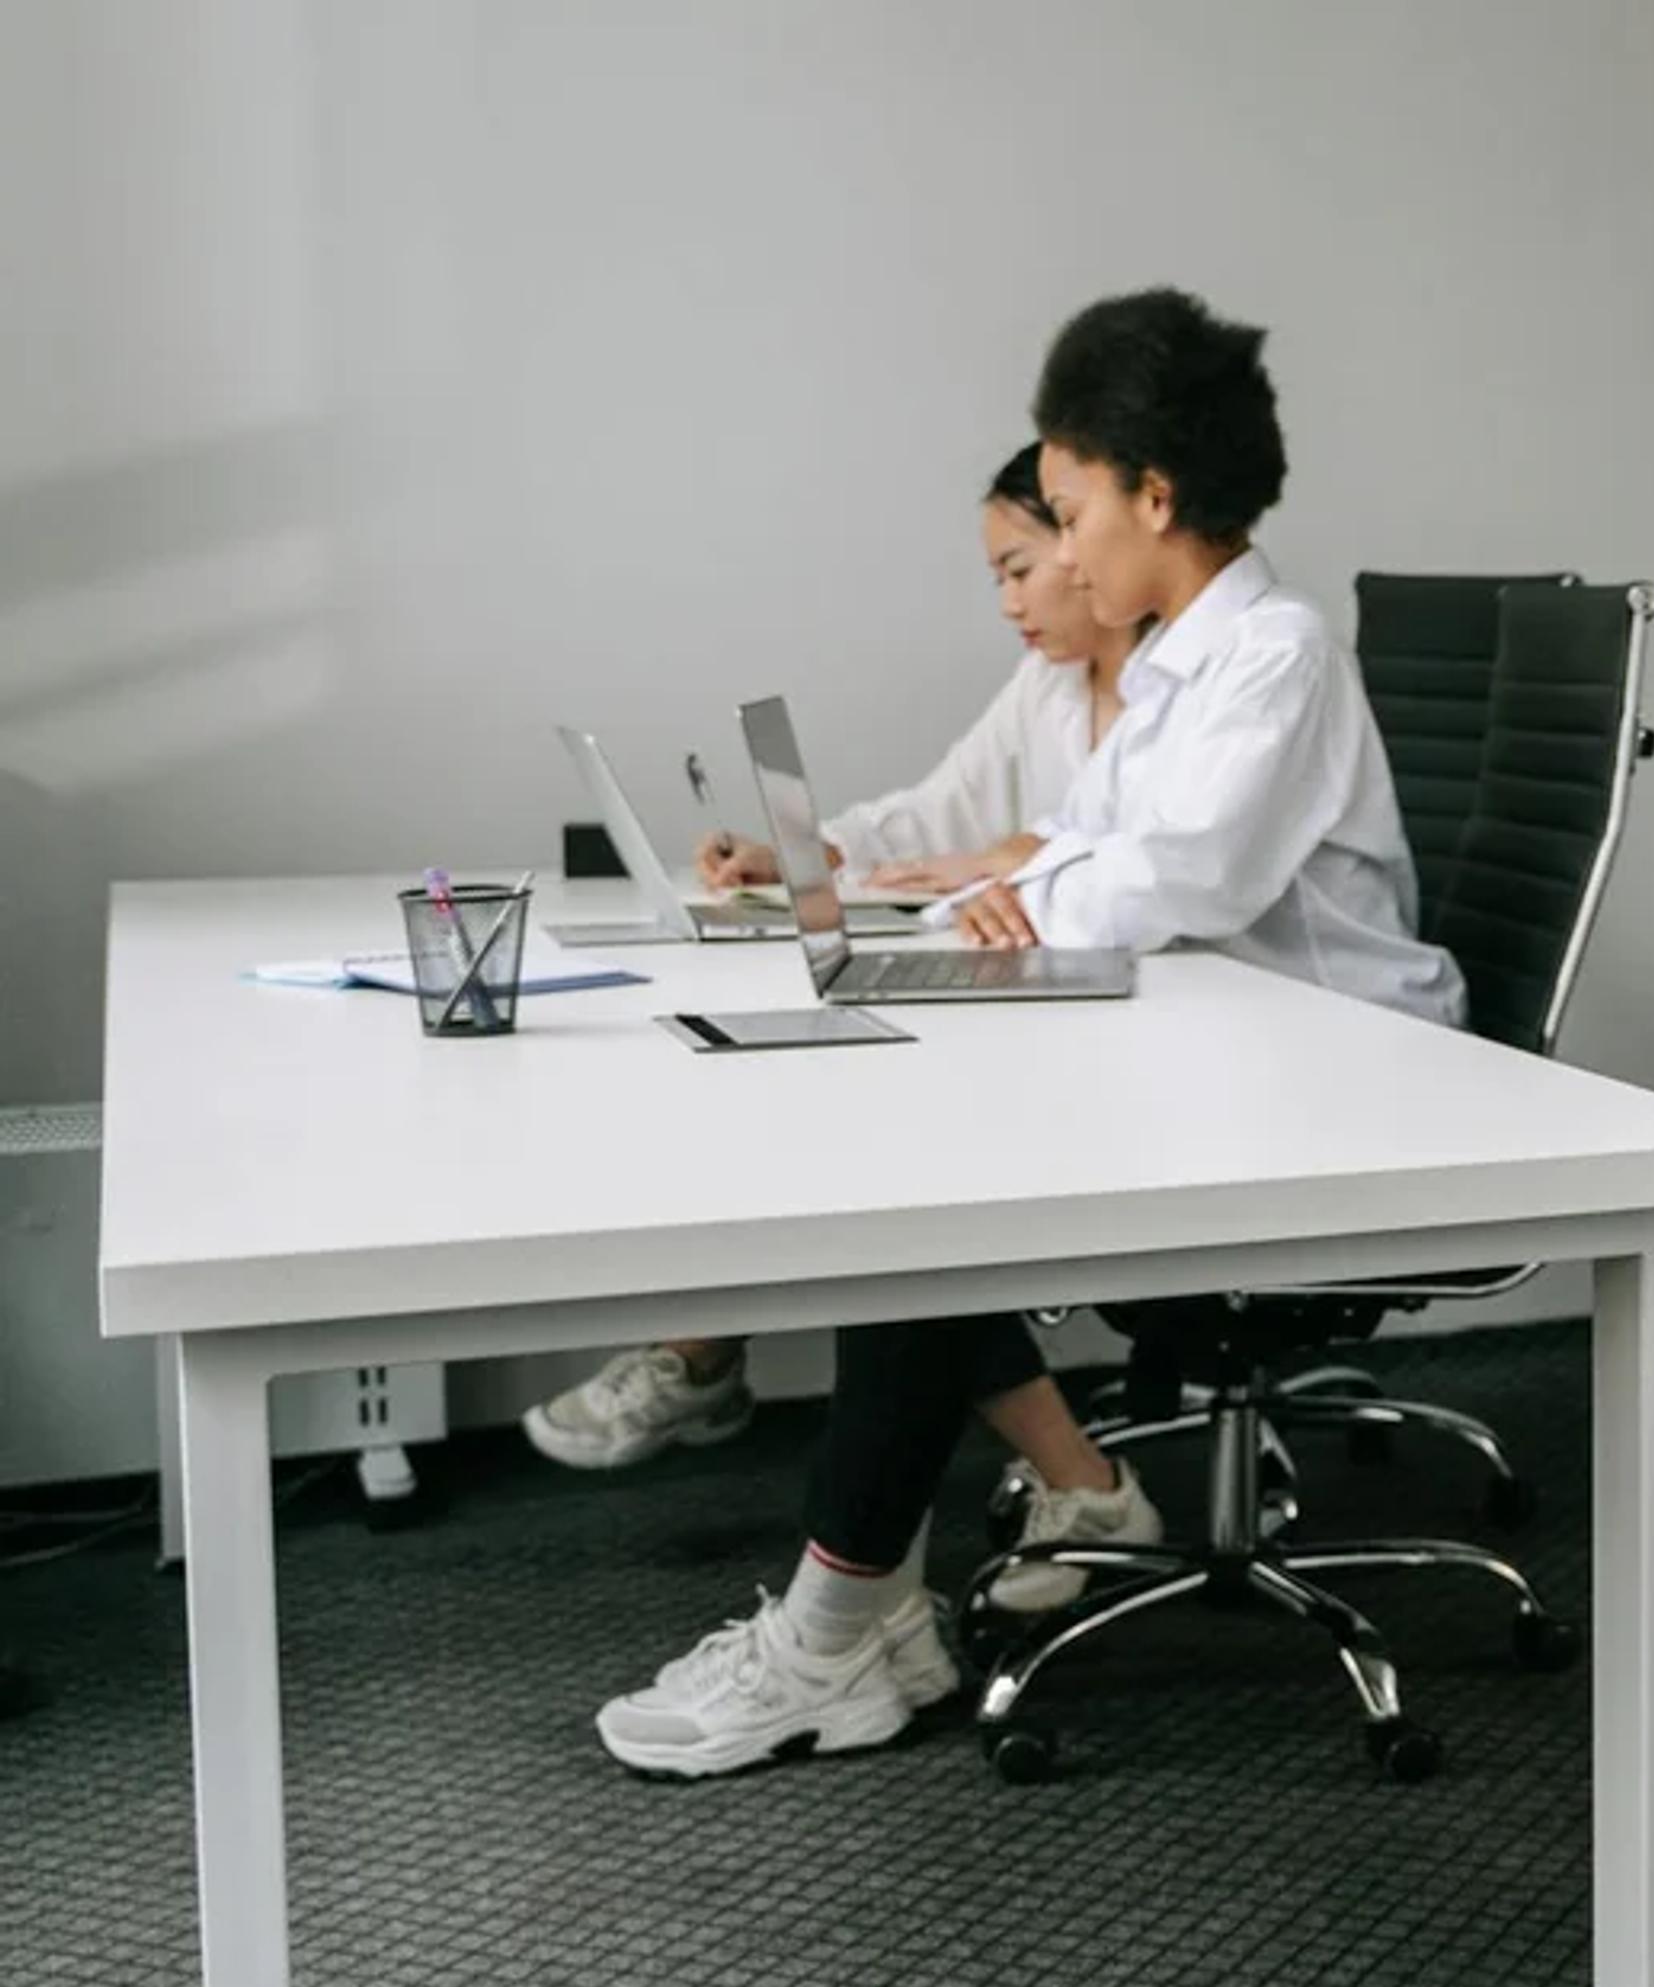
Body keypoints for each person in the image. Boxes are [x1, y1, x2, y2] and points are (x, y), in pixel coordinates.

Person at [596, 288, 1468, 1778]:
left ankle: (839, 1626)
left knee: (929, 1190)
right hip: (1219, 1050)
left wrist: (1032, 886)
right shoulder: (1171, 668)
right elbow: (1071, 846)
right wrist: (1013, 884)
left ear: (1154, 495)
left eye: (1067, 516)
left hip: (1344, 1079)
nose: (1059, 557)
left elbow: (1177, 871)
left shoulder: (1277, 653)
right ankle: (856, 1615)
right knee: (909, 1165)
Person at [523, 446, 1149, 1487]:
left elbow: (1127, 863)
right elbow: (935, 812)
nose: (1007, 602)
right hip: (1076, 1009)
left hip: (1177, 1023)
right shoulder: (1050, 684)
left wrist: (1018, 858)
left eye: (1020, 565)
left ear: (1092, 544)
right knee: (830, 1104)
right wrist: (802, 854)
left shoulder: (1195, 688)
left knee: (897, 1159)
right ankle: (710, 1346)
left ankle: (713, 1352)